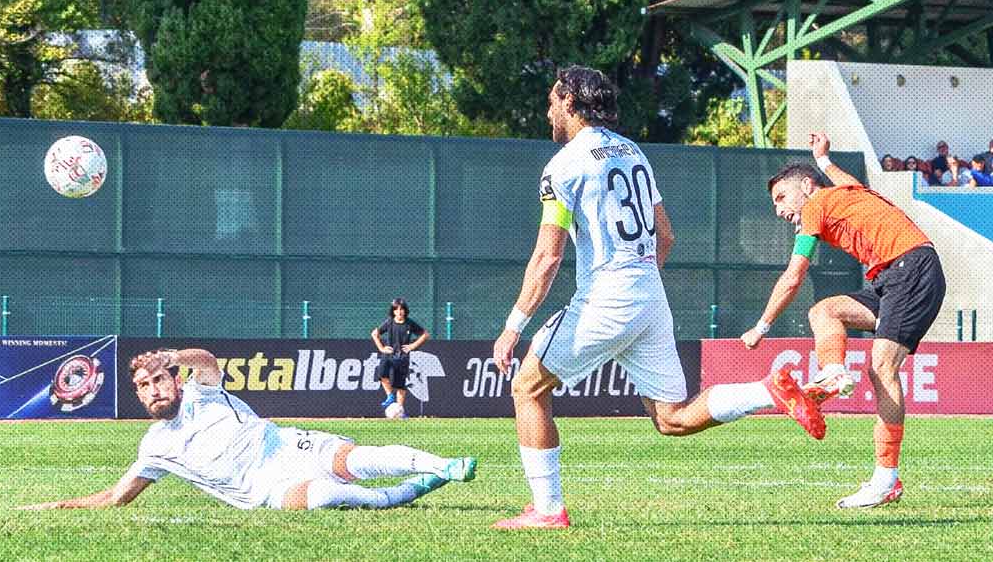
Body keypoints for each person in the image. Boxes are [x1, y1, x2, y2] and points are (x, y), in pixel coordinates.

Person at [490, 65, 825, 530]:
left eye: (552, 100)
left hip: (607, 299)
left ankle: (547, 510)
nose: (548, 110)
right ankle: (766, 389)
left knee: (527, 387)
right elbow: (665, 236)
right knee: (672, 418)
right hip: (650, 297)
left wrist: (513, 326)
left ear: (570, 102)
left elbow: (548, 257)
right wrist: (638, 286)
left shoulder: (563, 165)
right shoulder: (633, 153)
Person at [742, 133, 946, 509]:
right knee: (824, 311)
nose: (778, 210)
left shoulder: (817, 205)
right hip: (893, 275)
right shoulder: (846, 191)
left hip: (911, 269)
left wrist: (762, 326)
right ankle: (833, 372)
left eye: (781, 198)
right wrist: (822, 159)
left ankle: (886, 480)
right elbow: (841, 177)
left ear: (806, 188)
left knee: (882, 368)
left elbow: (793, 276)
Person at [19, 348, 475, 511]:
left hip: (281, 443)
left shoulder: (201, 391)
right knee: (326, 496)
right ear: (138, 396)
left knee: (353, 461)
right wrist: (59, 503)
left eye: (159, 379)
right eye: (144, 385)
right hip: (263, 489)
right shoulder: (154, 447)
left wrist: (174, 357)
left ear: (174, 380)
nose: (154, 388)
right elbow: (116, 498)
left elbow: (208, 362)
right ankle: (408, 490)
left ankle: (445, 466)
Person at [371, 298, 429, 410]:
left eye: (402, 309)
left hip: (402, 357)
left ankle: (400, 411)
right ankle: (390, 396)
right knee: (382, 374)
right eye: (396, 309)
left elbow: (425, 334)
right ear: (393, 311)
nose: (399, 312)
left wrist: (412, 346)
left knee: (400, 386)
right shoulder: (389, 322)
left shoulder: (410, 323)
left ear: (405, 310)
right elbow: (374, 334)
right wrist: (381, 348)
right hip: (388, 355)